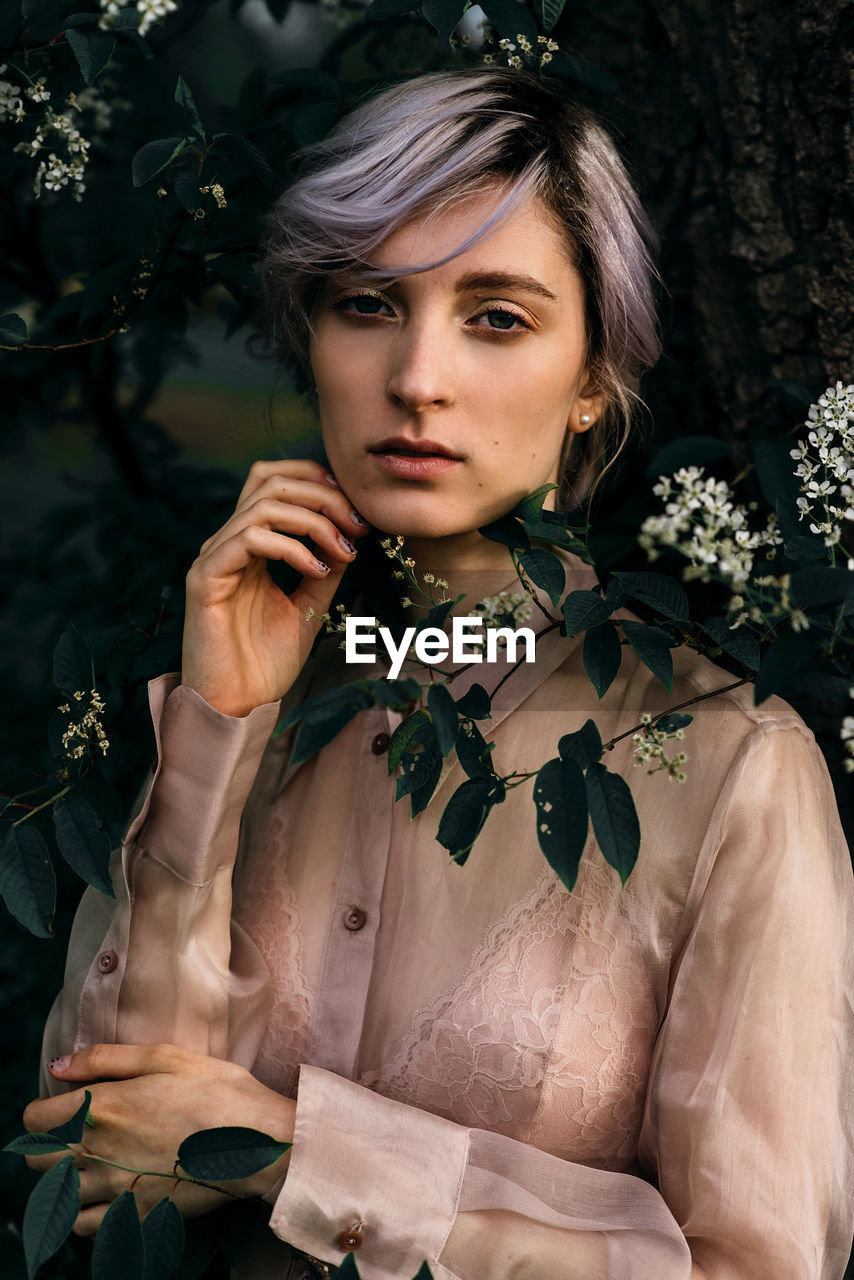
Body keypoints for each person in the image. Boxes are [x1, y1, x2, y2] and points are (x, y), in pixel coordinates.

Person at [24, 68, 853, 1279]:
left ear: (590, 382)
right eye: (368, 303)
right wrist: (220, 726)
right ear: (310, 339)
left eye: (496, 316)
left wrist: (294, 1154)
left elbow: (754, 1266)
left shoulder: (729, 763)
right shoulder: (235, 694)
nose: (417, 377)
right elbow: (94, 1155)